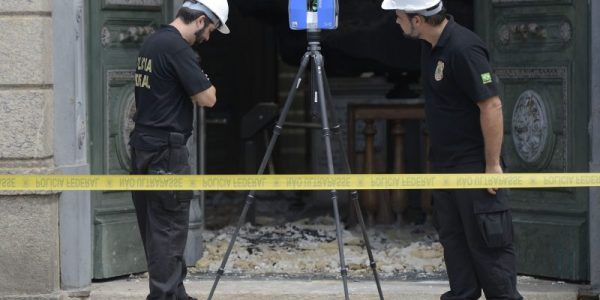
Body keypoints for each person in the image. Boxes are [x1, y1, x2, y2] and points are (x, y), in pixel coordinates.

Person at [381, 1, 523, 299]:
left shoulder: (464, 48)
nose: (396, 22)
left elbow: (492, 104)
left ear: (417, 20)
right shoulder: (429, 46)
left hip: (474, 166)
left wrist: (492, 165)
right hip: (445, 166)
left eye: (398, 17)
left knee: (489, 251)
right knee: (455, 246)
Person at [129, 0, 229, 299]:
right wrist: (205, 81)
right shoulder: (177, 49)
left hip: (144, 145)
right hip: (166, 151)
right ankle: (163, 296)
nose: (208, 38)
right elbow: (208, 98)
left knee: (157, 228)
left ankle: (175, 293)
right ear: (199, 21)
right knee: (169, 230)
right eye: (209, 30)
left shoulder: (153, 42)